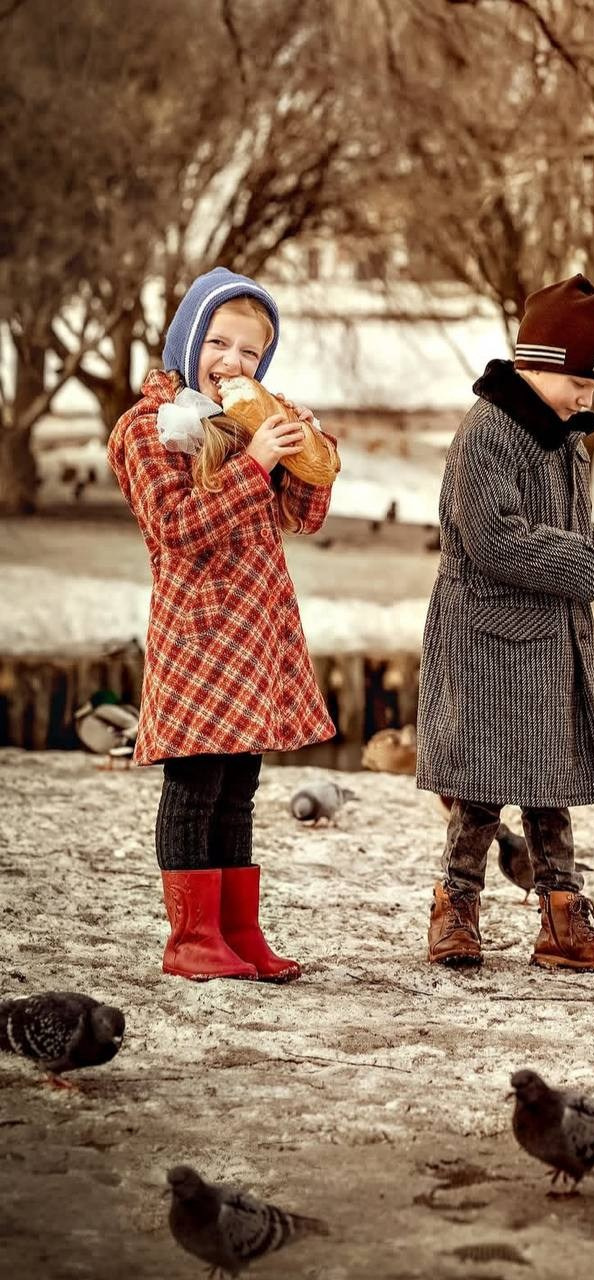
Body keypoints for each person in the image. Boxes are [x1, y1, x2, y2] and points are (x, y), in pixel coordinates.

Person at [107, 267, 337, 983]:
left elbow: (304, 515)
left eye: (249, 353)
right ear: (187, 340)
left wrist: (303, 454)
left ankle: (239, 932)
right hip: (199, 634)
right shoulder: (149, 428)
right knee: (195, 785)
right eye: (219, 343)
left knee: (240, 786)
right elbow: (177, 528)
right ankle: (191, 939)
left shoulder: (246, 421)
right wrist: (256, 463)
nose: (233, 364)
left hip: (258, 631)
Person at [416, 273, 594, 974]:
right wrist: (589, 567)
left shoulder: (563, 439)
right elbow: (497, 540)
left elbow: (568, 529)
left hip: (546, 633)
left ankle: (563, 921)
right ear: (539, 360)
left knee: (552, 780)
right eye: (582, 379)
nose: (589, 396)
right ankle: (455, 910)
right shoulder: (487, 432)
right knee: (483, 782)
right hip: (484, 634)